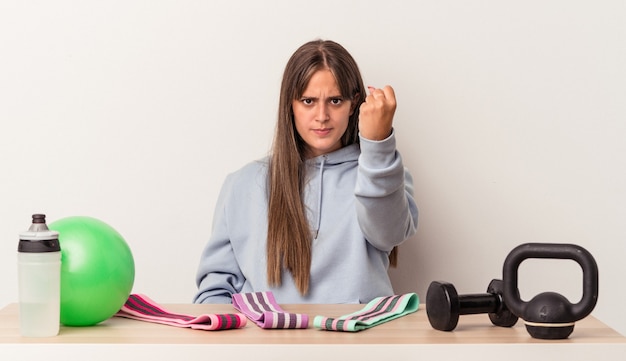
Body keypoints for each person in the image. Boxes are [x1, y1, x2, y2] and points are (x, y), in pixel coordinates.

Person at [194, 39, 418, 304]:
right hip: (266, 343)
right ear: (291, 104)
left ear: (354, 103)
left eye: (335, 101)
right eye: (308, 101)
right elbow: (215, 291)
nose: (321, 115)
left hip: (360, 340)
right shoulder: (243, 184)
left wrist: (378, 145)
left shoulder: (383, 170)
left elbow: (388, 234)